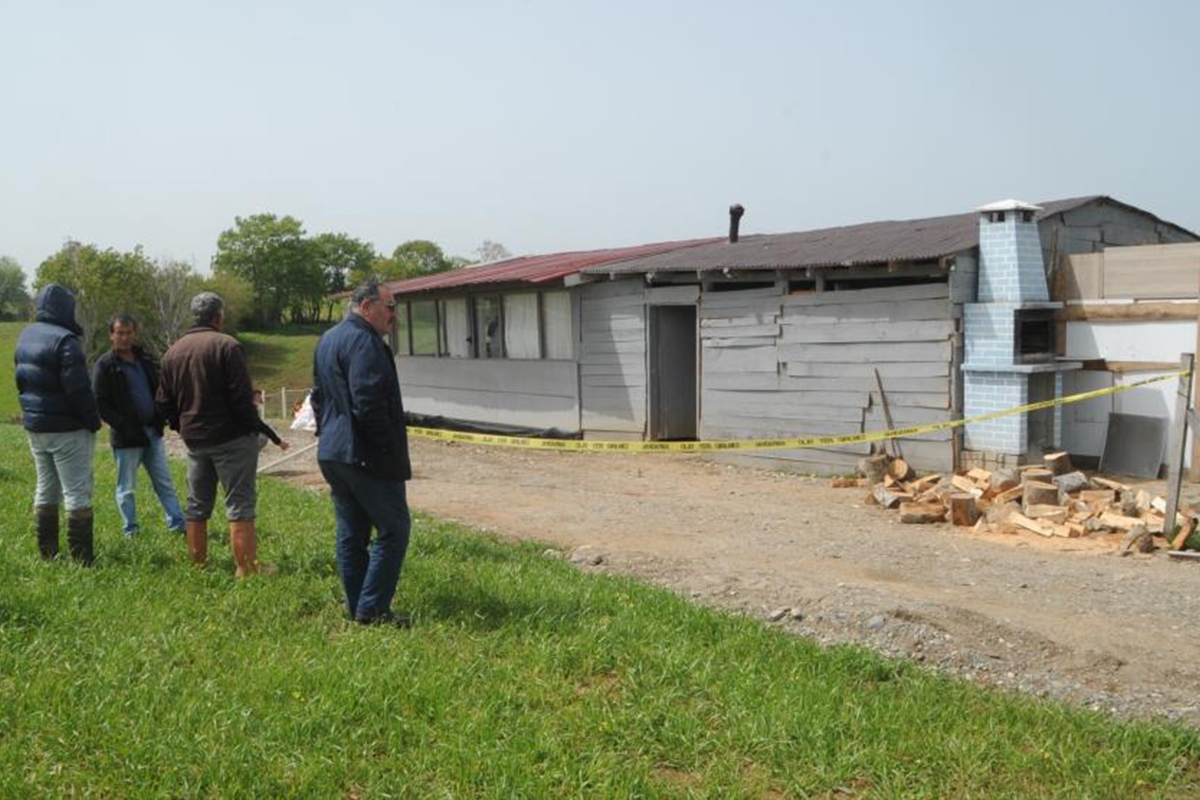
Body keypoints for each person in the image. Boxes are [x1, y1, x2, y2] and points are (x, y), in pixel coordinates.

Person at [312, 281, 412, 627]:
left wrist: (329, 437)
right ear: (367, 306)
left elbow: (317, 397)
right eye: (390, 307)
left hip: (334, 452)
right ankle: (372, 610)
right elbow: (367, 401)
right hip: (364, 453)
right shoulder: (366, 342)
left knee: (351, 534)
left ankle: (358, 608)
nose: (394, 316)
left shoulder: (328, 339)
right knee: (394, 529)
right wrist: (387, 448)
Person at [156, 292, 263, 576]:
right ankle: (246, 569)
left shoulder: (173, 352)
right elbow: (242, 398)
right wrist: (252, 427)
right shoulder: (228, 346)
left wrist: (181, 426)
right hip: (231, 438)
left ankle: (198, 565)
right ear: (218, 317)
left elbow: (164, 402)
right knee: (240, 504)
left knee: (196, 505)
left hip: (195, 440)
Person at [14, 284, 102, 564]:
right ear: (66, 309)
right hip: (67, 430)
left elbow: (21, 382)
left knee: (45, 487)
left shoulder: (25, 337)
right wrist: (93, 421)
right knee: (76, 491)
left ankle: (48, 554)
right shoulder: (66, 341)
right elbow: (78, 390)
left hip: (36, 426)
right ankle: (82, 560)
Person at [92, 313, 186, 537]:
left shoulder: (145, 360)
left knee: (164, 482)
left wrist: (161, 416)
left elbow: (160, 389)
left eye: (128, 333)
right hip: (127, 436)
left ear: (135, 334)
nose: (124, 338)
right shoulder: (105, 365)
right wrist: (121, 424)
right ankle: (131, 530)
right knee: (126, 488)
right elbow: (99, 402)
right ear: (111, 335)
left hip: (152, 432)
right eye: (119, 333)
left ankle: (178, 524)